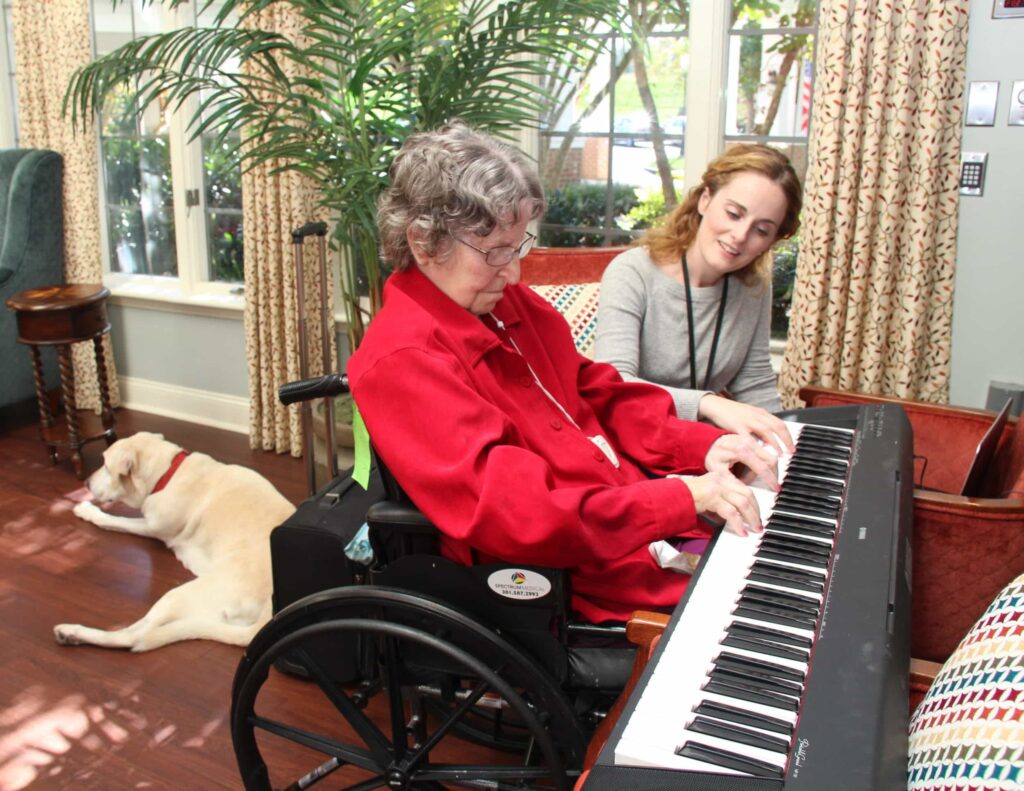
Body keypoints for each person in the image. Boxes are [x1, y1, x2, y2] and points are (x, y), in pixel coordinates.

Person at [348, 122, 780, 624]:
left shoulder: (504, 301)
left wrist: (699, 445)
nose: (514, 273)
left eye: (518, 247)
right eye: (495, 253)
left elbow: (595, 392)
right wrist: (681, 497)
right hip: (565, 575)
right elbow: (524, 514)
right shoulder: (403, 360)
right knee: (769, 609)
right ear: (423, 244)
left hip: (629, 518)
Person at [595, 144, 802, 455]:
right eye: (733, 213)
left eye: (761, 230)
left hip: (705, 452)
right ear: (705, 199)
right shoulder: (633, 272)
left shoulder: (753, 287)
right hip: (626, 449)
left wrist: (789, 450)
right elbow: (614, 385)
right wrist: (709, 404)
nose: (740, 235)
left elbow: (754, 384)